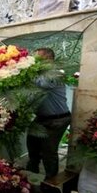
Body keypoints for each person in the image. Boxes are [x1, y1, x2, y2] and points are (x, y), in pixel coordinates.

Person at [26, 48, 71, 179]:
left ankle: (51, 181)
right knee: (32, 141)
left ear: (48, 59)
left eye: (38, 58)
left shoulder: (55, 73)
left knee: (49, 151)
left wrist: (27, 76)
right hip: (42, 118)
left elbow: (43, 84)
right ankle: (31, 171)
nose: (35, 61)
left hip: (57, 120)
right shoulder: (40, 73)